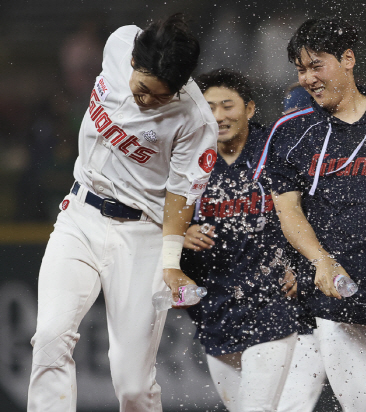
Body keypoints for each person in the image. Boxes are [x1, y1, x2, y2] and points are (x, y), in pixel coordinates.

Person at [27, 14, 218, 412]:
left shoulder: (195, 119)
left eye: (161, 96)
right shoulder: (119, 43)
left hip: (141, 234)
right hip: (80, 214)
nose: (148, 100)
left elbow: (181, 198)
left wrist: (170, 262)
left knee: (132, 384)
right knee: (49, 337)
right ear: (132, 61)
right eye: (145, 88)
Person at [255, 17, 366, 411]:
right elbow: (288, 211)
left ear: (348, 59)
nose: (307, 78)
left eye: (316, 65)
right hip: (333, 294)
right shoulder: (291, 133)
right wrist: (319, 260)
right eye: (301, 69)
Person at [180, 69, 310, 411]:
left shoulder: (277, 151)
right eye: (210, 108)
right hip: (215, 308)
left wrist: (301, 263)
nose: (219, 116)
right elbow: (154, 215)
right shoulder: (188, 160)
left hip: (272, 303)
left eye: (228, 105)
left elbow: (310, 212)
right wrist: (178, 232)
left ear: (249, 109)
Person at [276, 82, 328, 412]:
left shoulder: (357, 161)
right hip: (301, 316)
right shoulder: (278, 165)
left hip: (354, 304)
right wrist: (279, 264)